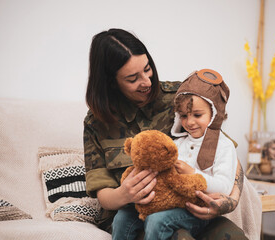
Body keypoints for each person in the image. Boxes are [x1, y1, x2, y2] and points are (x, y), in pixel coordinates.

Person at [83, 28, 246, 239]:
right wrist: (124, 194)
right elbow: (102, 192)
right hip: (135, 215)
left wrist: (228, 202)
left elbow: (225, 152)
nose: (147, 82)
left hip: (186, 206)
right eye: (133, 78)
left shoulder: (181, 99)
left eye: (147, 68)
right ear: (111, 82)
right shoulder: (97, 123)